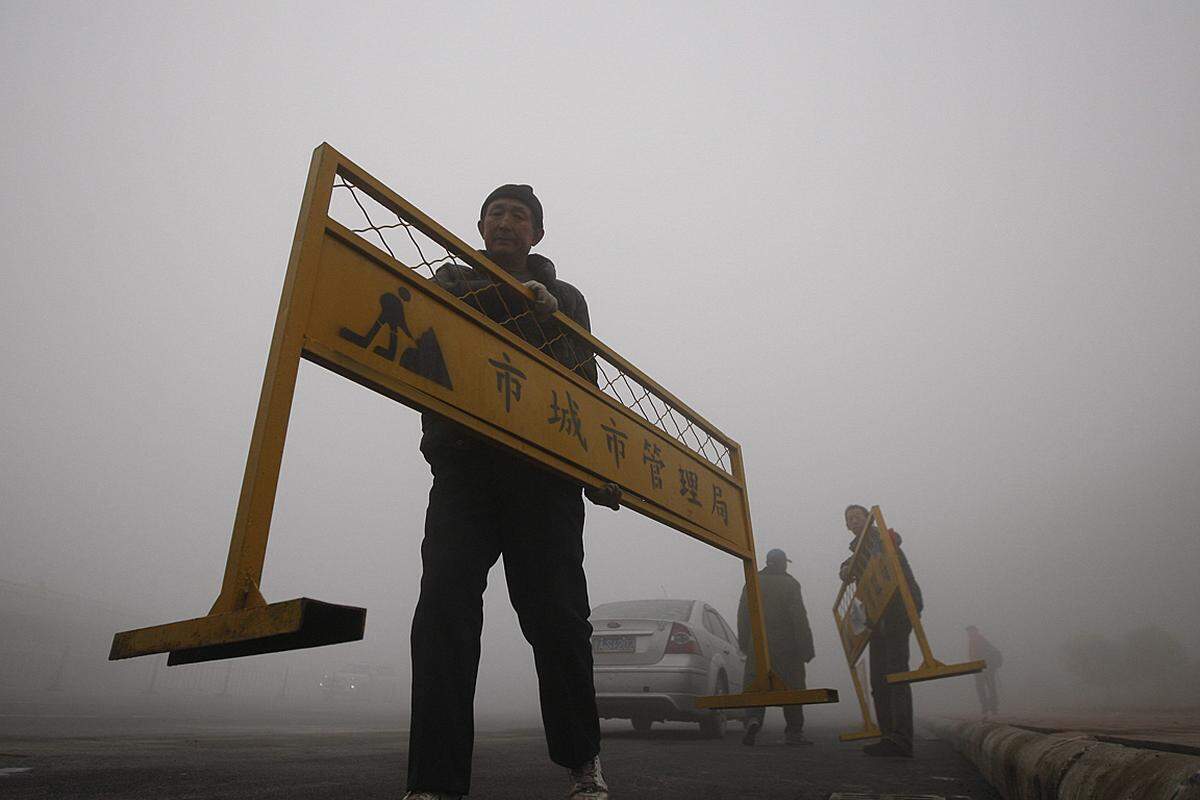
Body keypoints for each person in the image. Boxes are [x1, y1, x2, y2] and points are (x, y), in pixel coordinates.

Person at [404, 185, 619, 800]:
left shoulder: (568, 297)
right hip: (465, 468)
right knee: (444, 614)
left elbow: (585, 380)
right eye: (496, 214)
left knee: (559, 621)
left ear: (537, 234)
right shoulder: (451, 277)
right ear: (480, 225)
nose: (506, 222)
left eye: (519, 216)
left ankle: (583, 763)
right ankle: (433, 783)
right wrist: (518, 298)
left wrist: (599, 468)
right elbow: (436, 312)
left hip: (545, 478)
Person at [839, 504, 923, 758]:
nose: (853, 521)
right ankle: (887, 736)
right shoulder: (857, 550)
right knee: (879, 679)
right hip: (875, 617)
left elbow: (892, 541)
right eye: (849, 519)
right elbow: (844, 570)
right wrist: (845, 569)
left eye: (857, 516)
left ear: (867, 519)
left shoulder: (880, 537)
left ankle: (901, 738)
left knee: (896, 674)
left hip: (897, 609)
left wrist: (891, 539)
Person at [736, 548, 815, 747]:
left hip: (758, 647)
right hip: (787, 648)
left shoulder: (752, 582)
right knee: (792, 688)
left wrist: (744, 642)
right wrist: (806, 647)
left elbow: (743, 615)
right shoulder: (790, 584)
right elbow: (799, 618)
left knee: (757, 685)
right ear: (783, 563)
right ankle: (794, 732)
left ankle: (753, 720)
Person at [966, 625, 1002, 717]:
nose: (970, 633)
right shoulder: (973, 641)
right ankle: (987, 707)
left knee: (989, 688)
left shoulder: (980, 640)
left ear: (976, 631)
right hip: (979, 669)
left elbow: (989, 652)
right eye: (969, 632)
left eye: (971, 631)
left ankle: (992, 708)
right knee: (983, 688)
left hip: (985, 668)